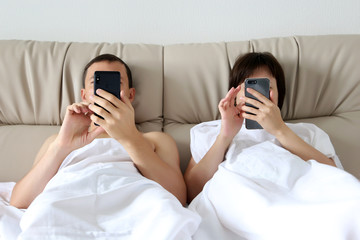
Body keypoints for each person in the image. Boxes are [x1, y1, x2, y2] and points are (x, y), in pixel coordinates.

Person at [10, 54, 187, 208]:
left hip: (134, 205)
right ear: (85, 95)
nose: (104, 92)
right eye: (96, 83)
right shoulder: (56, 141)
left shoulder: (156, 140)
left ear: (130, 95)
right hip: (67, 203)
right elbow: (19, 202)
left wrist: (129, 138)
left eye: (115, 83)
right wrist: (62, 147)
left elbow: (178, 197)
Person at [184, 52, 340, 203]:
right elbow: (191, 193)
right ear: (234, 94)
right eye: (248, 87)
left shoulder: (309, 132)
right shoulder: (209, 131)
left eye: (264, 88)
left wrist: (280, 130)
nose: (255, 95)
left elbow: (336, 180)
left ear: (279, 94)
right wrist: (225, 136)